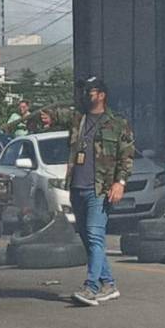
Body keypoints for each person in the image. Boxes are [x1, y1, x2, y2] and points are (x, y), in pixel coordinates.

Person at [52, 77, 135, 307]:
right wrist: (46, 116)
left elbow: (126, 157)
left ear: (102, 95)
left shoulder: (117, 123)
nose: (87, 95)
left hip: (100, 188)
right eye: (86, 91)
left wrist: (120, 183)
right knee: (88, 238)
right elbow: (56, 115)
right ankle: (108, 284)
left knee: (95, 234)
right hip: (77, 186)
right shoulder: (79, 119)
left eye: (92, 91)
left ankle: (91, 286)